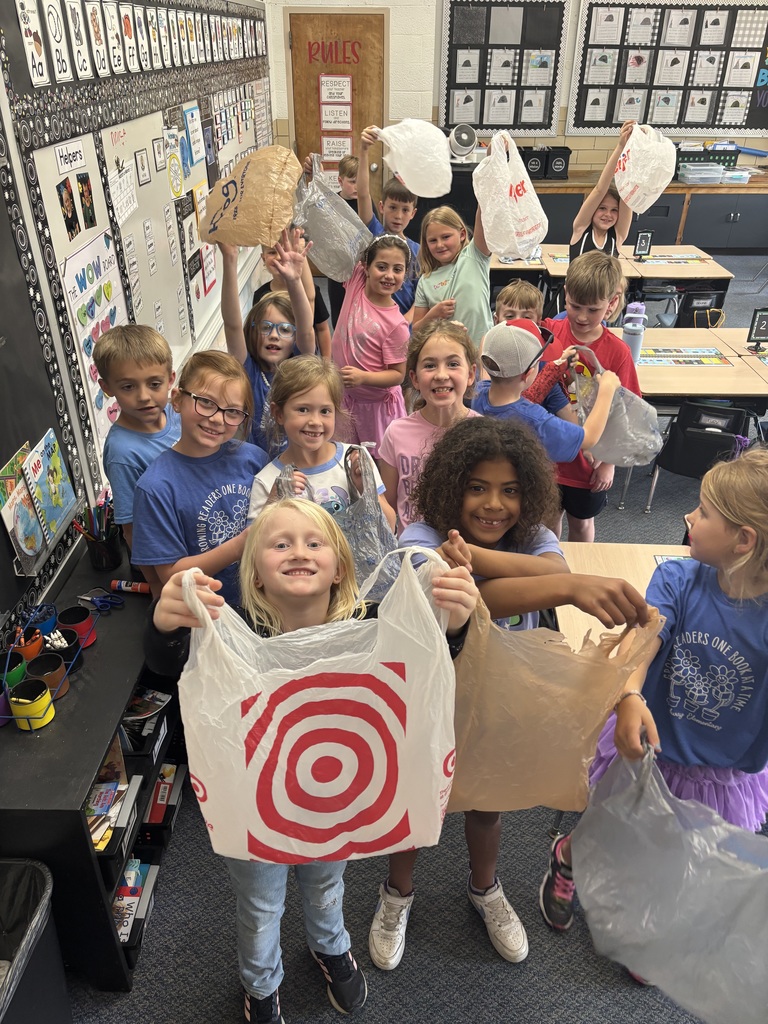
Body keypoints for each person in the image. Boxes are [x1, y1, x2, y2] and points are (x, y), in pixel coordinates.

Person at [144, 497, 480, 1024]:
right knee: (260, 906)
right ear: (254, 576)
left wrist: (452, 623)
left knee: (327, 882)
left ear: (340, 566)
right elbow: (172, 665)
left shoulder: (369, 627)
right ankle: (261, 983)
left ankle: (330, 945)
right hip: (259, 806)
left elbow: (423, 661)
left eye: (313, 542)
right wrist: (166, 626)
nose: (298, 551)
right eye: (280, 543)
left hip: (333, 800)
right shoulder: (231, 639)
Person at [368, 416, 650, 973]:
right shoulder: (422, 535)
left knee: (487, 801)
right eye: (477, 487)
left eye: (510, 490)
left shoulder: (539, 538)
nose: (493, 504)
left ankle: (485, 889)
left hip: (500, 700)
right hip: (430, 697)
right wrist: (568, 585)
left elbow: (530, 574)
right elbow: (466, 597)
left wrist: (523, 570)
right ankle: (396, 894)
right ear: (452, 487)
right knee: (417, 801)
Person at [539, 446, 768, 937]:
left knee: (678, 849)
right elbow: (642, 644)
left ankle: (650, 910)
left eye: (704, 513)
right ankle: (569, 858)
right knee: (609, 818)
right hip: (647, 747)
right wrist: (630, 696)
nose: (687, 516)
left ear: (743, 540)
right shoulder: (678, 577)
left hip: (720, 772)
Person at [131, 351, 267, 602]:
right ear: (177, 400)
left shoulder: (254, 459)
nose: (217, 419)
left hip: (265, 603)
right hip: (208, 615)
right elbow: (170, 575)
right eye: (205, 402)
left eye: (233, 411)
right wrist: (240, 545)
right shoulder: (155, 488)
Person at [541, 250, 639, 543]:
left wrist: (609, 461)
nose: (582, 316)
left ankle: (580, 576)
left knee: (582, 526)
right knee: (546, 525)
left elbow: (626, 411)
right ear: (566, 294)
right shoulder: (548, 332)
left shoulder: (618, 352)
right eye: (575, 306)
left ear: (611, 304)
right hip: (547, 455)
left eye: (593, 309)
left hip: (588, 466)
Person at [247, 354, 395, 529]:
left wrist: (366, 489)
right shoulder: (267, 481)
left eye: (325, 411)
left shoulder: (355, 459)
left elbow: (390, 525)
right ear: (278, 413)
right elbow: (255, 547)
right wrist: (274, 501)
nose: (315, 422)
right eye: (303, 409)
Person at [94, 325, 180, 589]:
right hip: (162, 561)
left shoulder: (177, 414)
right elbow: (132, 530)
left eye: (154, 384)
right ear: (107, 387)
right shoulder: (123, 452)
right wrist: (157, 588)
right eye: (128, 386)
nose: (144, 397)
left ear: (170, 379)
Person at [471, 319, 621, 466]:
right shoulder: (536, 421)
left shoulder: (478, 393)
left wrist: (558, 365)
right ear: (529, 373)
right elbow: (588, 438)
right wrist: (606, 390)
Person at [378, 319, 479, 533]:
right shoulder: (396, 433)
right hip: (413, 554)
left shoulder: (484, 433)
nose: (441, 375)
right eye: (430, 365)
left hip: (468, 552)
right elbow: (387, 504)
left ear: (470, 374)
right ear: (414, 378)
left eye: (453, 364)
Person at [219, 231, 315, 452]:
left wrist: (294, 280)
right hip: (258, 467)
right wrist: (229, 260)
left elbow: (307, 329)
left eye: (284, 329)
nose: (274, 335)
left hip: (299, 462)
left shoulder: (300, 368)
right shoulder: (249, 371)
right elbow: (232, 324)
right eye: (266, 328)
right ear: (253, 332)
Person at [331, 234, 412, 457]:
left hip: (375, 408)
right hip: (346, 398)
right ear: (366, 267)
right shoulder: (356, 281)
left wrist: (363, 377)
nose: (389, 275)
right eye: (382, 267)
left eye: (398, 269)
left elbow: (397, 374)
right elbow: (344, 235)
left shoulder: (396, 325)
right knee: (346, 456)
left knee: (377, 462)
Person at [358, 126, 420, 319]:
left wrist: (406, 322)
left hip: (402, 323)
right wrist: (364, 151)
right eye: (393, 208)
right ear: (382, 207)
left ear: (413, 213)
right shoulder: (374, 232)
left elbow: (421, 295)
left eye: (405, 210)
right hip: (372, 319)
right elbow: (362, 194)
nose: (398, 216)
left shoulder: (417, 250)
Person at [412, 201, 492, 347]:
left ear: (462, 234)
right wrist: (433, 315)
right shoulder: (425, 280)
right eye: (433, 240)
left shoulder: (475, 255)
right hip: (447, 358)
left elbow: (484, 216)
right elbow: (416, 330)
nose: (440, 245)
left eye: (446, 237)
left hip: (483, 354)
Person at [252, 230, 332, 359]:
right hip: (273, 361)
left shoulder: (310, 292)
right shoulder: (260, 295)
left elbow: (322, 329)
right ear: (263, 258)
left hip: (302, 360)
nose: (279, 257)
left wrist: (327, 362)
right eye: (272, 252)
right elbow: (257, 331)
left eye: (284, 251)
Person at [569, 121, 634, 262]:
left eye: (614, 210)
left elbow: (627, 196)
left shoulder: (617, 236)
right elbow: (600, 189)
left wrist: (633, 147)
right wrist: (621, 146)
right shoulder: (581, 229)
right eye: (602, 208)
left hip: (607, 285)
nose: (608, 215)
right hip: (578, 285)